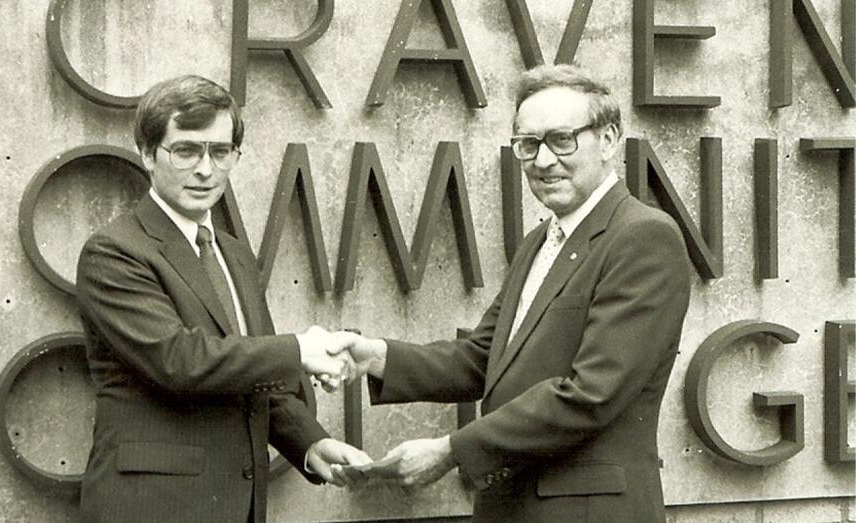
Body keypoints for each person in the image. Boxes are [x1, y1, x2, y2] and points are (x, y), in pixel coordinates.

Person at [333, 64, 691, 522]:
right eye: (527, 144)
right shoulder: (541, 242)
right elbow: (484, 358)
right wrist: (376, 357)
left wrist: (450, 450)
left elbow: (592, 395)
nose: (542, 161)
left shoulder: (643, 237)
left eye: (562, 139)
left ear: (608, 139)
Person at [75, 75, 368, 523]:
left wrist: (310, 444)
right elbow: (180, 360)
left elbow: (255, 377)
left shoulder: (232, 253)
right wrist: (301, 351)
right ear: (148, 153)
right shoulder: (114, 251)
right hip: (151, 510)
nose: (206, 170)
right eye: (186, 150)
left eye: (220, 151)